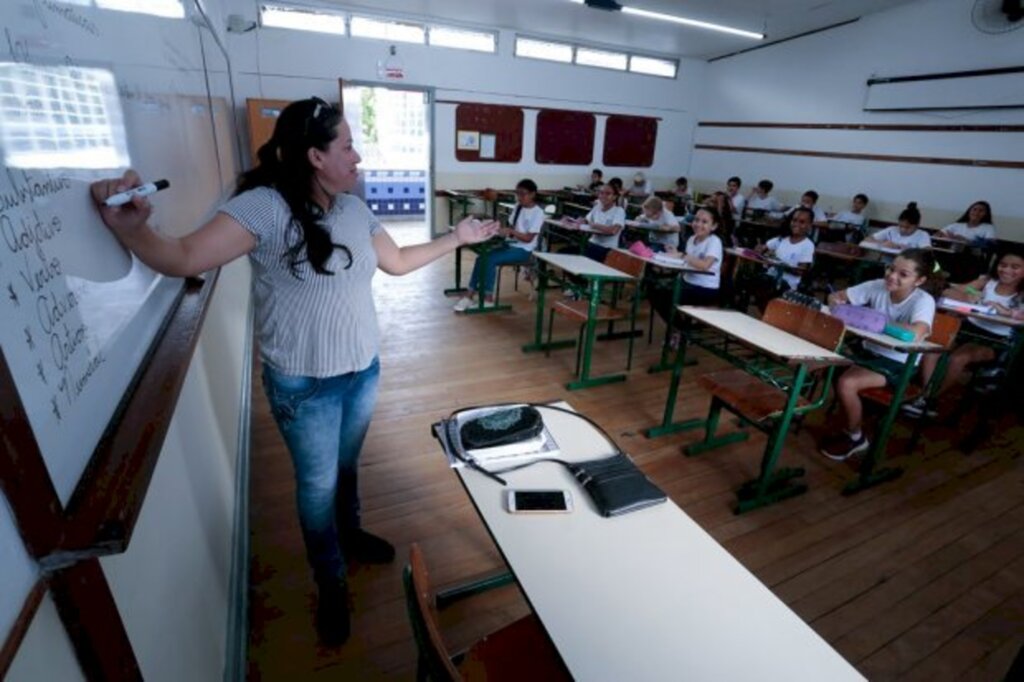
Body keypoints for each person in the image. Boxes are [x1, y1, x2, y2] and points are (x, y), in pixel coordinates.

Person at [89, 97, 498, 646]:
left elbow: (396, 264)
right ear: (315, 155)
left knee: (347, 466)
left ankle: (349, 535)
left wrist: (458, 238)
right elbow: (184, 257)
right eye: (348, 145)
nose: (358, 155)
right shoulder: (263, 207)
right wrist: (136, 232)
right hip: (304, 386)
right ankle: (330, 582)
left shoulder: (354, 208)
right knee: (317, 485)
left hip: (363, 372)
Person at [820, 248, 937, 460]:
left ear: (919, 281)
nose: (892, 276)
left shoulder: (923, 300)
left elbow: (916, 333)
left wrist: (872, 320)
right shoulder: (877, 285)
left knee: (847, 383)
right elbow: (835, 296)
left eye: (903, 274)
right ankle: (858, 412)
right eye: (891, 268)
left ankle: (856, 437)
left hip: (899, 362)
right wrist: (836, 302)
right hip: (869, 351)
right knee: (824, 362)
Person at [904, 251, 1024, 417]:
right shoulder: (988, 281)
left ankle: (931, 398)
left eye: (1015, 267)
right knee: (931, 348)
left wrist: (1006, 312)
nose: (1006, 270)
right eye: (1003, 265)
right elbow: (957, 287)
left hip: (995, 340)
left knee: (958, 358)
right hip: (967, 328)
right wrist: (970, 293)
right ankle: (926, 394)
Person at [453, 178, 545, 311]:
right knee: (481, 258)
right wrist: (498, 230)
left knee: (490, 260)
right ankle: (469, 294)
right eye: (517, 193)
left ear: (532, 194)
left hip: (525, 251)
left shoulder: (538, 213)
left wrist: (511, 231)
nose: (519, 197)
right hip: (511, 244)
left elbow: (528, 239)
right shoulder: (518, 207)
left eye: (523, 194)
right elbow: (512, 227)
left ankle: (488, 299)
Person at [647, 205, 724, 328]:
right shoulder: (691, 239)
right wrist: (674, 254)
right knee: (653, 289)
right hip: (687, 282)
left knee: (664, 296)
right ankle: (680, 327)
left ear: (714, 226)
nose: (698, 224)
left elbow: (705, 265)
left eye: (704, 222)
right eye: (696, 220)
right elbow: (687, 262)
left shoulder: (714, 241)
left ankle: (679, 330)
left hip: (705, 288)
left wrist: (682, 255)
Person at [751, 206, 815, 307]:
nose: (796, 224)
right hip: (770, 277)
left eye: (802, 222)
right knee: (751, 279)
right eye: (794, 220)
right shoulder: (782, 239)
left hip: (787, 284)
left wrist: (779, 264)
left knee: (763, 284)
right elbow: (762, 249)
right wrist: (760, 249)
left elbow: (801, 270)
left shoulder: (808, 245)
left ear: (809, 225)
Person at [578, 183, 625, 261]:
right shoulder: (597, 207)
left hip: (606, 248)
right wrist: (574, 222)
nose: (603, 196)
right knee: (566, 253)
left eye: (608, 194)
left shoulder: (619, 211)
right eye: (601, 193)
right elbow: (586, 220)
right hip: (592, 243)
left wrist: (594, 225)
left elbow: (613, 230)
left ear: (615, 197)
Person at [862, 202, 931, 250]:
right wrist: (883, 243)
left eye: (907, 228)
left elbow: (927, 252)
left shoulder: (922, 235)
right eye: (900, 226)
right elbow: (867, 239)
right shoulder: (892, 230)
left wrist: (904, 248)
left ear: (917, 225)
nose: (902, 230)